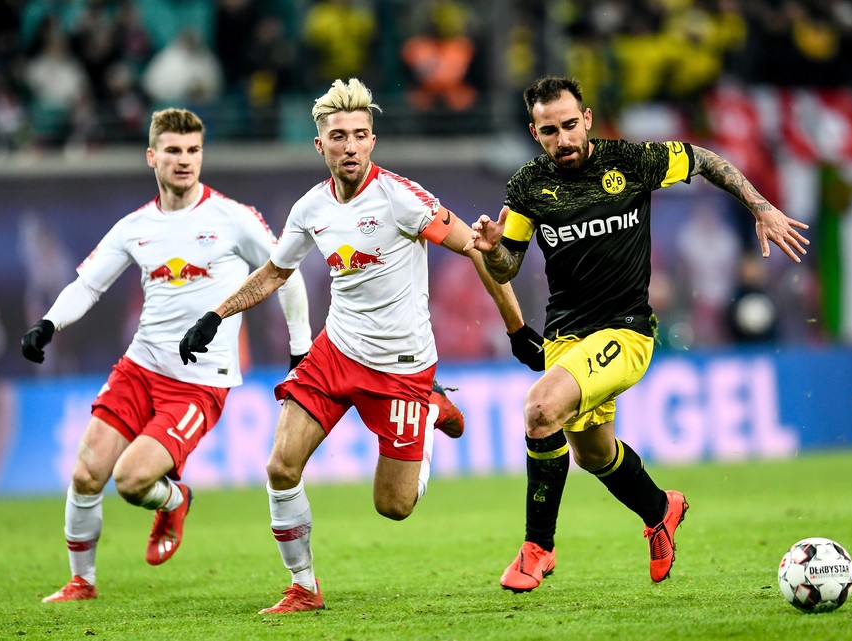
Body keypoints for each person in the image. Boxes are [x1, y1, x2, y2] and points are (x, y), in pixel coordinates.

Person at [179, 77, 528, 614]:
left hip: (402, 366)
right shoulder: (311, 209)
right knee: (280, 467)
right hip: (336, 352)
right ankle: (303, 587)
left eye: (360, 135)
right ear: (320, 145)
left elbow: (479, 250)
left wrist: (515, 326)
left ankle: (430, 411)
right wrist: (214, 314)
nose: (349, 145)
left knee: (394, 506)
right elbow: (275, 272)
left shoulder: (402, 200)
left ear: (372, 141)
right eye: (338, 135)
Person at [466, 76, 810, 592]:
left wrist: (759, 205)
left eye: (568, 125)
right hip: (566, 336)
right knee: (593, 454)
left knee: (540, 411)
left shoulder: (630, 162)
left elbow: (704, 160)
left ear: (585, 119)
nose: (561, 139)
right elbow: (507, 267)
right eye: (548, 131)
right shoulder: (527, 186)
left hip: (626, 331)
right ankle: (660, 509)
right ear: (534, 133)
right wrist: (494, 248)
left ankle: (538, 548)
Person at [21, 107, 313, 603]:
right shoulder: (134, 226)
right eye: (174, 151)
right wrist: (49, 323)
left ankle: (175, 498)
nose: (185, 161)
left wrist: (299, 349)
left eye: (194, 151)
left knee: (132, 480)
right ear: (152, 157)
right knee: (86, 471)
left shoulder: (233, 218)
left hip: (200, 382)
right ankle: (81, 582)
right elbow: (87, 285)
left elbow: (286, 274)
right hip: (140, 366)